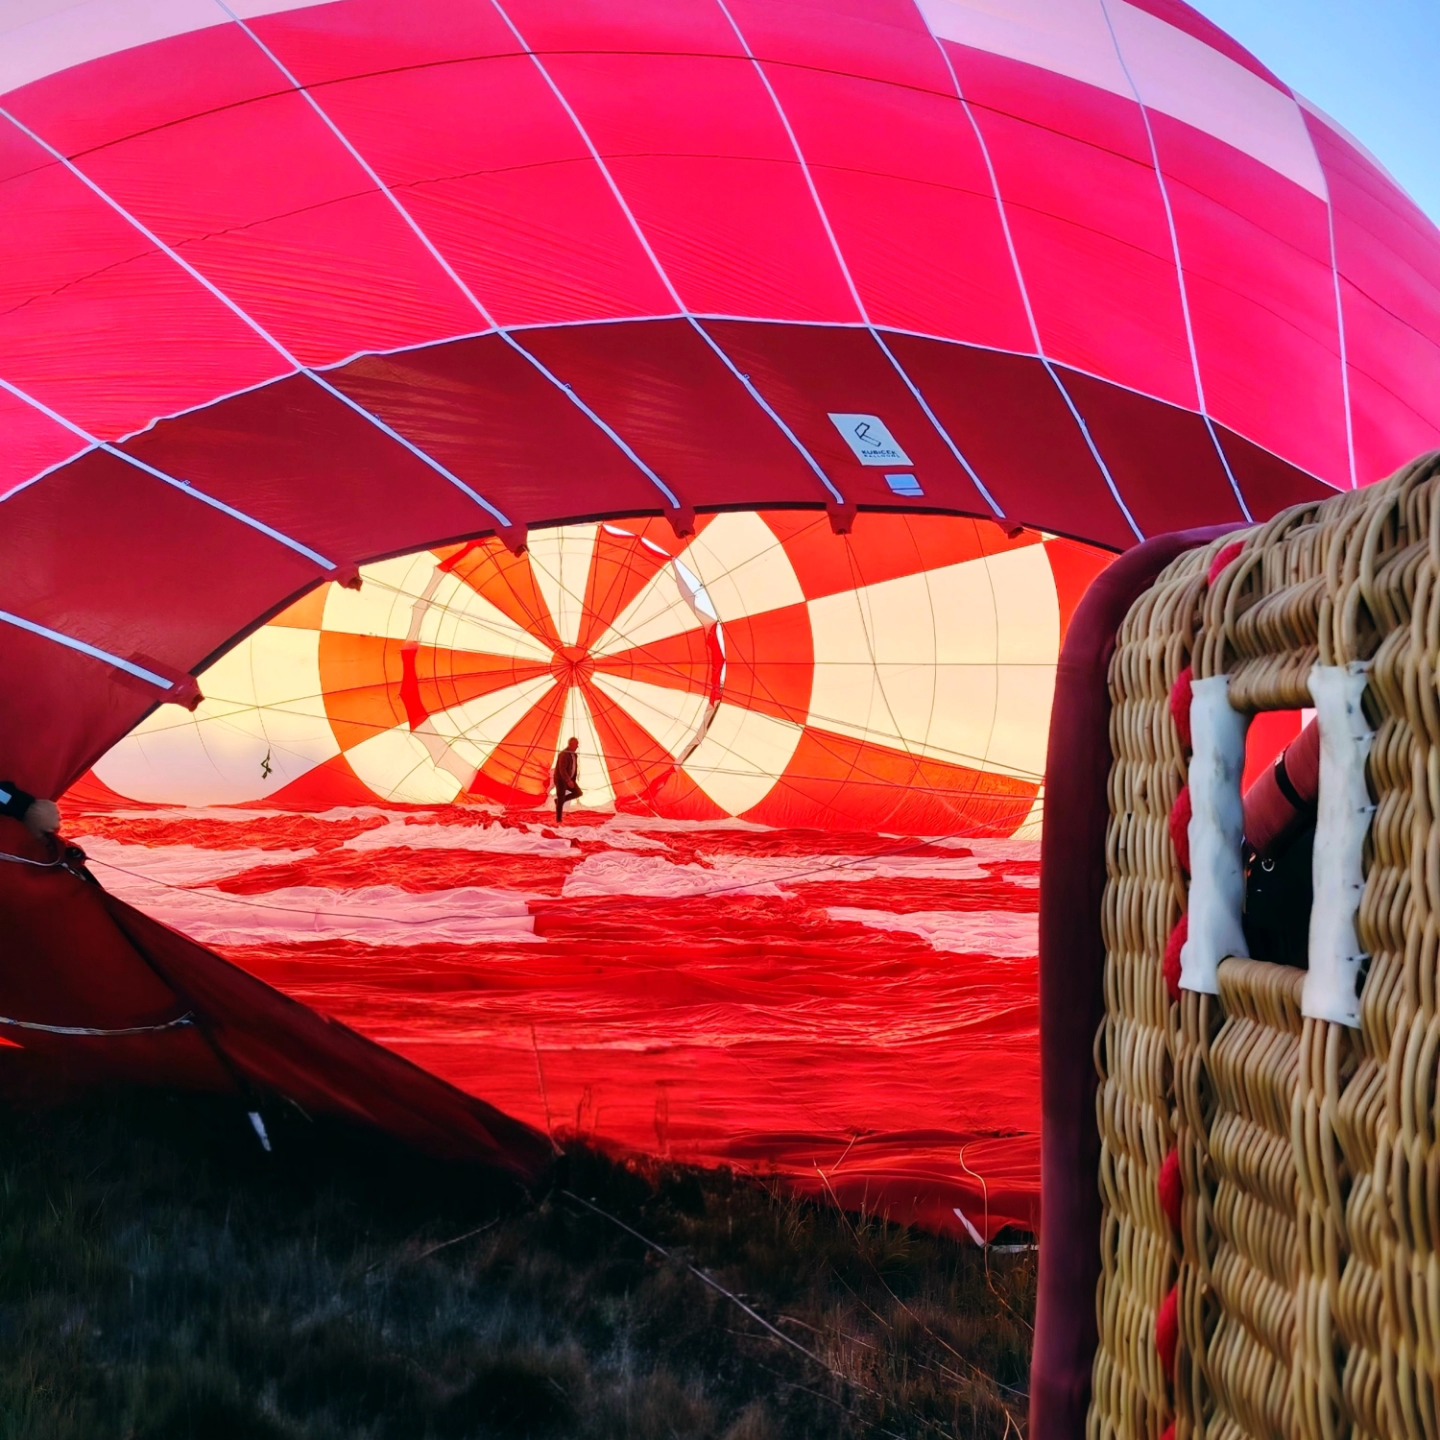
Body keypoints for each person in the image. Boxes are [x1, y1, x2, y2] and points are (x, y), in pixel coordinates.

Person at [553, 737, 582, 824]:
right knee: (561, 797)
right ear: (571, 745)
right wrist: (568, 780)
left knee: (578, 792)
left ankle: (558, 801)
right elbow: (562, 769)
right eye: (576, 744)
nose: (577, 746)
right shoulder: (563, 754)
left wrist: (572, 780)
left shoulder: (574, 755)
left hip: (570, 779)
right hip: (561, 779)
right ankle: (558, 820)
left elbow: (573, 768)